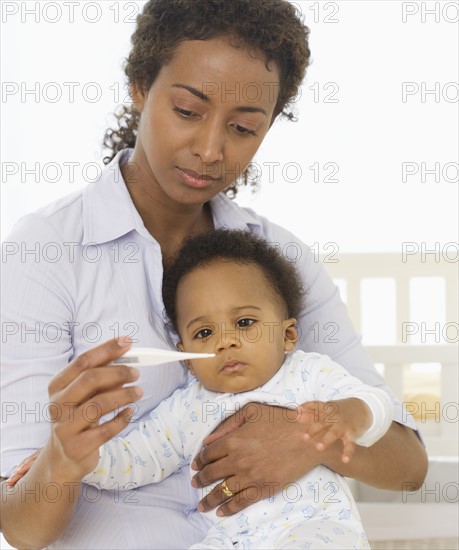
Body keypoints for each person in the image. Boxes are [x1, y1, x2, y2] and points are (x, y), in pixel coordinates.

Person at [0, 1, 427, 549]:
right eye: (186, 110)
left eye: (244, 127)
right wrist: (61, 459)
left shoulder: (279, 259)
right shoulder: (44, 253)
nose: (209, 150)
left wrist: (306, 438)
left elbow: (408, 464)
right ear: (139, 87)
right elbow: (22, 525)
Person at [83, 229, 394, 549]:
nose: (225, 341)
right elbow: (135, 458)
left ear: (287, 335)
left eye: (244, 323)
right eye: (204, 332)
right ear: (187, 359)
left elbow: (376, 400)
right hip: (232, 539)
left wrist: (347, 414)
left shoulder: (307, 374)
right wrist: (83, 458)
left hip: (315, 525)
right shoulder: (186, 409)